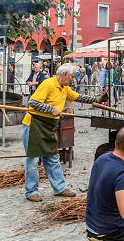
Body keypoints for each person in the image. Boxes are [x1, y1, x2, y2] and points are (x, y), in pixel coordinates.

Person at [21, 63, 107, 202]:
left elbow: (78, 97)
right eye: (72, 76)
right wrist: (51, 109)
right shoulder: (48, 84)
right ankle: (31, 191)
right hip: (34, 125)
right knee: (33, 160)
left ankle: (59, 188)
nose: (73, 79)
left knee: (53, 157)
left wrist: (96, 99)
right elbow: (33, 102)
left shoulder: (64, 88)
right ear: (65, 74)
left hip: (47, 127)